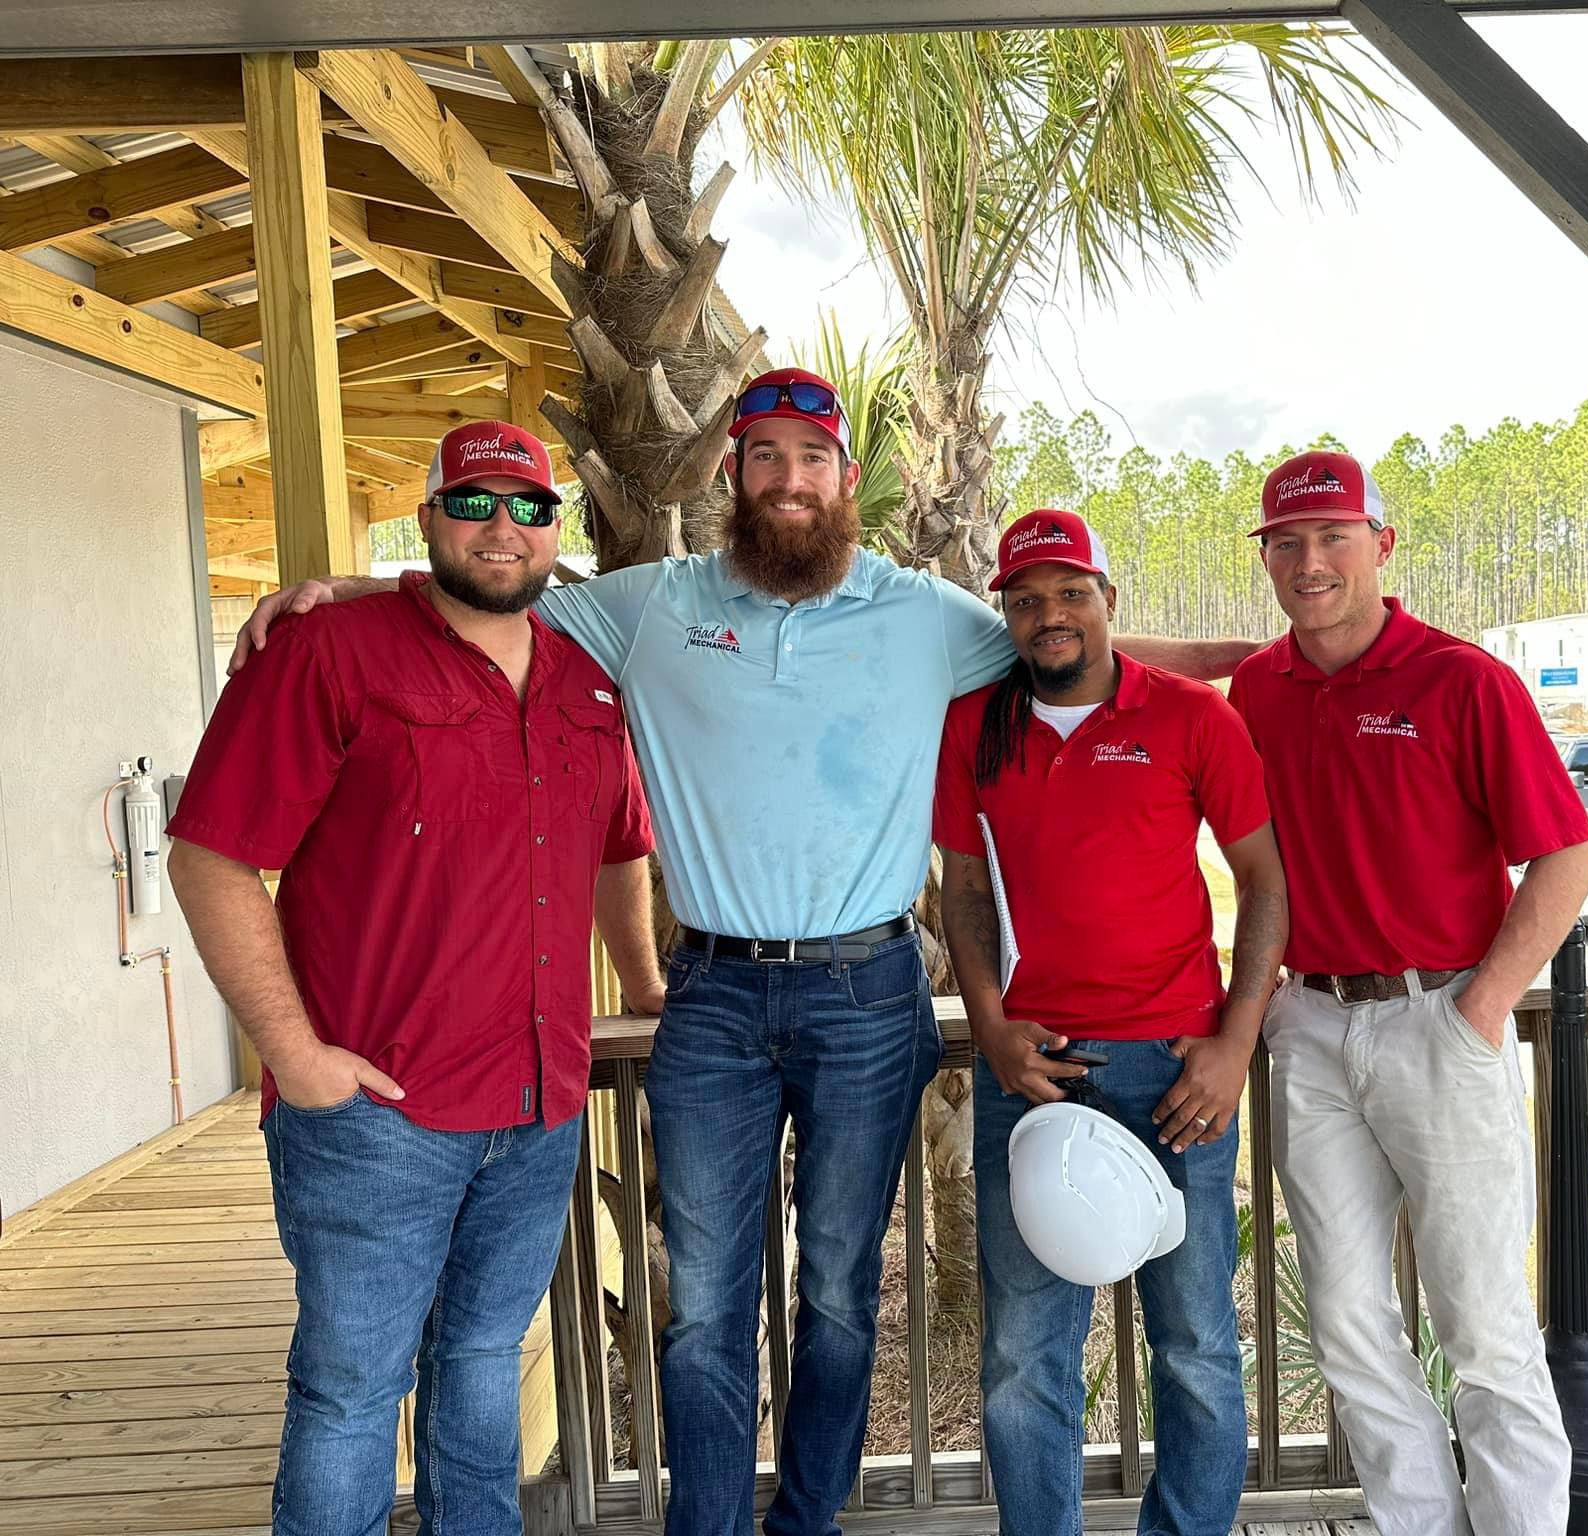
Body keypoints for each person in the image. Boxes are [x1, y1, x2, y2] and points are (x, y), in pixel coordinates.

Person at [229, 369, 1253, 1536]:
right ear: (733, 473)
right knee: (707, 1303)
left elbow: (1070, 638)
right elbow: (488, 590)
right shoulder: (649, 604)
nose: (786, 480)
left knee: (837, 1297)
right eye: (762, 457)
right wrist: (341, 591)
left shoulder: (921, 613)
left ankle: (804, 1520)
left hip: (869, 992)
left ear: (844, 479)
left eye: (808, 459)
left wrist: (1268, 657)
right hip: (711, 995)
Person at [167, 420, 663, 1536]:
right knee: (350, 1395)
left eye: (528, 508)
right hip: (374, 1115)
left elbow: (620, 845)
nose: (503, 528)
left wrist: (640, 984)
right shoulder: (328, 652)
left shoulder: (588, 675)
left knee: (484, 1365)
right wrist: (293, 1057)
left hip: (537, 1106)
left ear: (554, 535)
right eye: (475, 503)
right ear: (429, 516)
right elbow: (208, 854)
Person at [1227, 450, 1588, 1536]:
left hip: (1439, 1020)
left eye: (1332, 537)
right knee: (1346, 1320)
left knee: (1481, 1324)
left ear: (1381, 545)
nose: (1309, 562)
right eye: (1285, 544)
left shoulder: (1460, 679)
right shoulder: (1259, 689)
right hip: (1311, 1025)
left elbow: (1566, 855)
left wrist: (1479, 1006)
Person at [933, 508, 1288, 1536]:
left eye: (1069, 592)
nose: (1050, 615)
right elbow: (961, 891)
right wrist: (991, 1025)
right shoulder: (974, 727)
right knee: (1022, 1354)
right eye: (1027, 599)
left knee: (1195, 1344)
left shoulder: (1189, 718)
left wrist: (1235, 1040)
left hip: (1177, 1071)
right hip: (1036, 1072)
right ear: (1005, 613)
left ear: (1107, 601)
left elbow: (1262, 882)